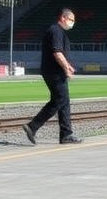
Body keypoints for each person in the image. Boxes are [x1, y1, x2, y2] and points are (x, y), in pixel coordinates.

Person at [22, 8, 82, 145]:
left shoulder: (59, 32)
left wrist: (68, 66)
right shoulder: (55, 31)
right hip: (54, 72)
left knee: (63, 101)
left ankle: (66, 134)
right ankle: (32, 126)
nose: (72, 23)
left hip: (55, 71)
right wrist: (66, 68)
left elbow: (60, 53)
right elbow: (57, 52)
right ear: (63, 18)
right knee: (59, 100)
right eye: (71, 20)